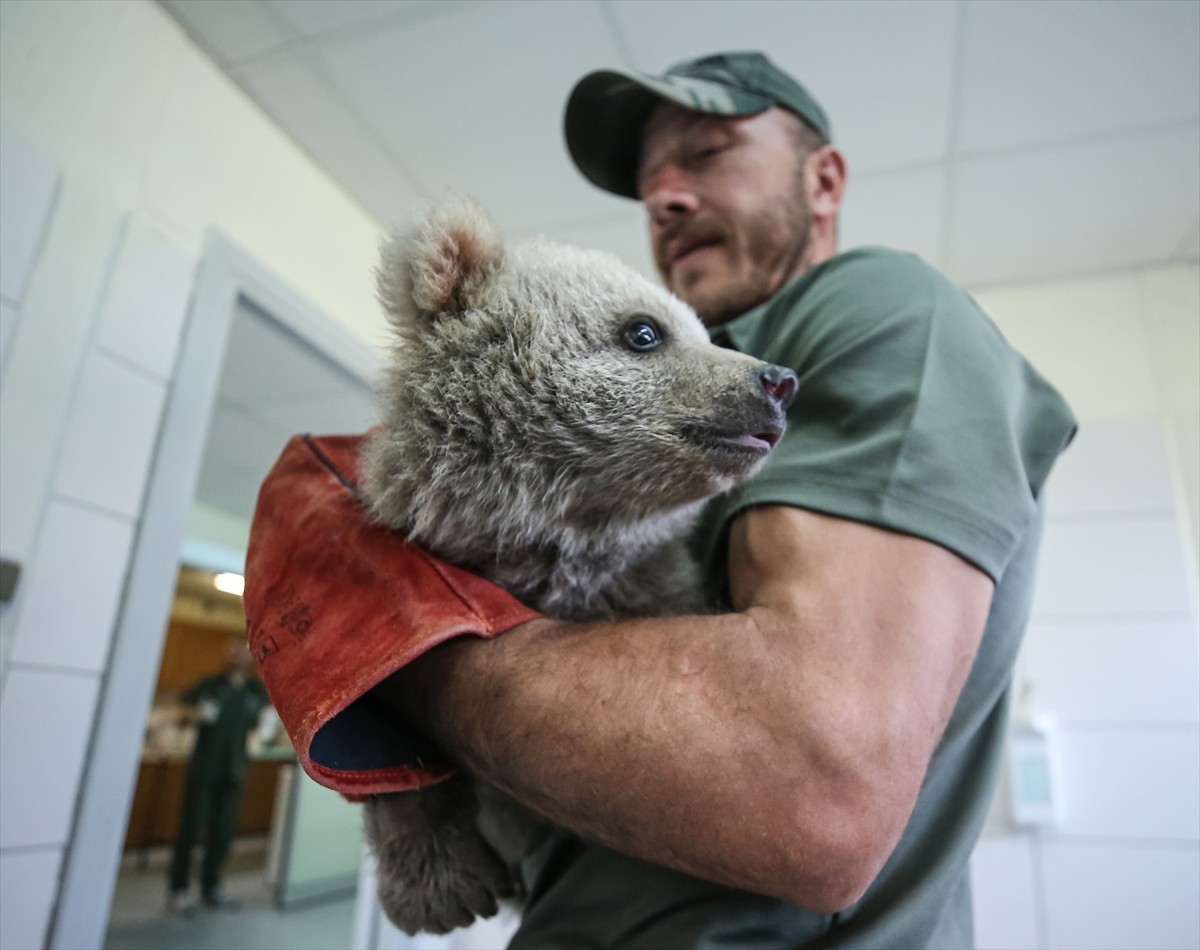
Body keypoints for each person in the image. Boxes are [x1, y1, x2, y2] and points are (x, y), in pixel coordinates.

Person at [244, 51, 1077, 948]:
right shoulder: (687, 377)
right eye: (650, 182)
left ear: (824, 178)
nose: (666, 197)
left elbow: (811, 788)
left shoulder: (877, 307)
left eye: (710, 153)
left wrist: (400, 656)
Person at [167, 638, 270, 915]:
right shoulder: (210, 685)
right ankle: (179, 889)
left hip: (234, 771)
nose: (236, 656)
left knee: (223, 832)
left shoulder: (254, 690)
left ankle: (211, 887)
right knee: (190, 829)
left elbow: (264, 718)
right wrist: (195, 714)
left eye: (242, 651)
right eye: (232, 650)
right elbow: (180, 712)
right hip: (204, 770)